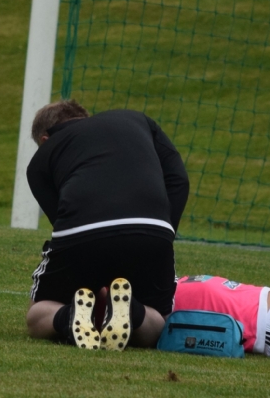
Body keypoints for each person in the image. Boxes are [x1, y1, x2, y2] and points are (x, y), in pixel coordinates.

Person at [25, 100, 189, 351]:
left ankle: (68, 317)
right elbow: (179, 180)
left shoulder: (41, 159)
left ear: (45, 140)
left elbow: (61, 221)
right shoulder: (138, 120)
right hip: (153, 229)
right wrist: (162, 235)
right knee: (159, 317)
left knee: (38, 312)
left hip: (83, 232)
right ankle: (133, 313)